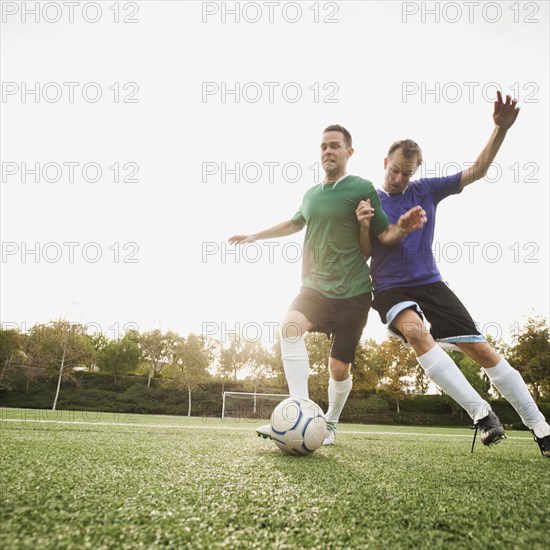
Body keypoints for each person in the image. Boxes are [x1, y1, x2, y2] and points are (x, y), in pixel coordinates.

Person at [363, 92, 549, 457]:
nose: (399, 177)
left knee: (480, 349)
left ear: (416, 171)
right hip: (388, 287)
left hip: (430, 282)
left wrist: (499, 130)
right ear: (385, 161)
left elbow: (477, 171)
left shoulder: (427, 189)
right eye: (394, 169)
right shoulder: (368, 199)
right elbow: (368, 247)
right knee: (416, 332)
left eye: (407, 172)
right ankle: (482, 414)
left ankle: (540, 427)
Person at [229, 124, 426, 445]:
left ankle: (330, 423)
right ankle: (299, 412)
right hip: (315, 288)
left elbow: (383, 236)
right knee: (290, 327)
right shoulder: (311, 195)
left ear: (349, 152)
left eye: (334, 146)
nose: (328, 151)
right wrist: (255, 235)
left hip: (355, 293)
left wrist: (402, 228)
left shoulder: (362, 187)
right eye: (323, 146)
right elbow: (293, 222)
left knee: (337, 369)